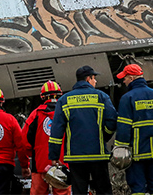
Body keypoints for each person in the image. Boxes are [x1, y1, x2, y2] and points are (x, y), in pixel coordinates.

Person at [49, 65, 118, 195]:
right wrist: (103, 136)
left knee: (79, 191)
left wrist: (54, 155)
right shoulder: (102, 97)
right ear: (88, 79)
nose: (95, 81)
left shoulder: (64, 100)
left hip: (76, 157)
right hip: (98, 155)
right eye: (94, 78)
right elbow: (112, 121)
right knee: (104, 190)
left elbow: (56, 132)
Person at [115, 63, 153, 195]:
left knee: (138, 188)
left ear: (132, 78)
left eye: (125, 78)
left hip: (136, 155)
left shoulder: (127, 98)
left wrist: (120, 151)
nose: (124, 81)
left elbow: (124, 127)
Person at [24, 80, 70, 195]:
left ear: (42, 97)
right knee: (62, 192)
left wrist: (31, 154)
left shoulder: (35, 114)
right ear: (60, 95)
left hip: (40, 163)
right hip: (62, 162)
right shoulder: (66, 112)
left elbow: (25, 140)